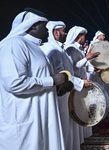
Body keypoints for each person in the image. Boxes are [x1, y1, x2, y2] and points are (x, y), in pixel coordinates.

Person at [0, 8, 66, 150]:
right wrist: (51, 81)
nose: (48, 29)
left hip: (39, 116)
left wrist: (56, 87)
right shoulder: (15, 44)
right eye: (44, 25)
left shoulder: (34, 47)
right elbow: (14, 83)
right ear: (33, 25)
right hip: (24, 118)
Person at [40, 21, 93, 150]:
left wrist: (80, 78)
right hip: (59, 96)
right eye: (63, 31)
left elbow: (69, 71)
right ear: (56, 32)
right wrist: (80, 82)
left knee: (68, 128)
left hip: (67, 94)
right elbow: (61, 75)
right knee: (61, 129)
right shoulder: (52, 50)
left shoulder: (60, 49)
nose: (65, 33)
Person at [64, 25, 100, 139]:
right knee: (77, 111)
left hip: (82, 81)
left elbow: (82, 65)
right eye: (84, 35)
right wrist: (87, 58)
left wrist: (93, 69)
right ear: (79, 36)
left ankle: (82, 137)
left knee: (83, 109)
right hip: (75, 84)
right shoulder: (70, 48)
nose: (85, 37)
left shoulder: (77, 48)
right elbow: (73, 67)